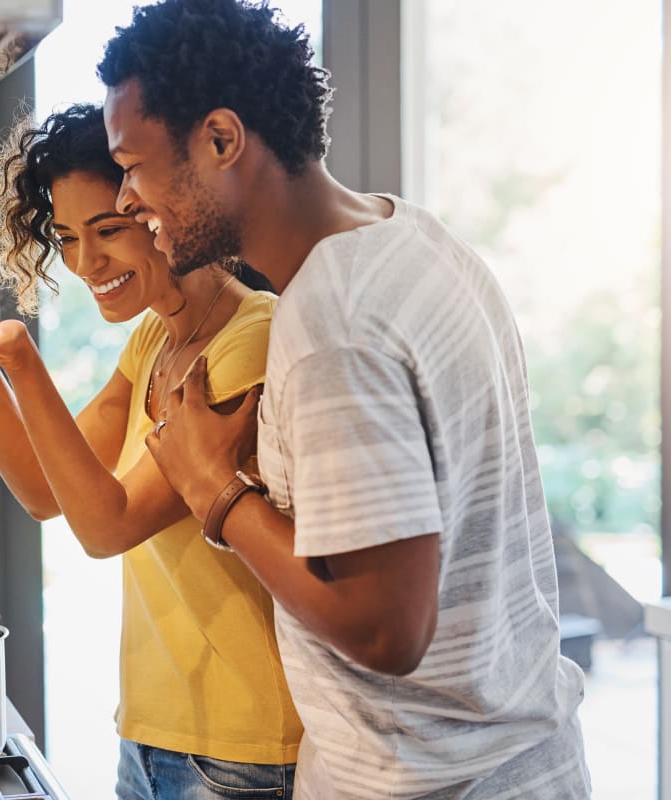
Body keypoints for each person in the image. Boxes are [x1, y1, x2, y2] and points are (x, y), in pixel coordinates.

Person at [96, 2, 592, 798]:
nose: (125, 199)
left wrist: (216, 492)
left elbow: (384, 628)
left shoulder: (331, 324)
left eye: (134, 165)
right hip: (524, 760)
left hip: (426, 782)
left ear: (222, 139)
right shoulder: (417, 238)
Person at [0, 103, 303, 800]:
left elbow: (108, 525)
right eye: (68, 237)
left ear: (166, 209)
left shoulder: (250, 340)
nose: (83, 262)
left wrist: (18, 355)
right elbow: (47, 491)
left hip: (242, 750)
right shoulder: (156, 340)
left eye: (108, 229)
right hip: (153, 732)